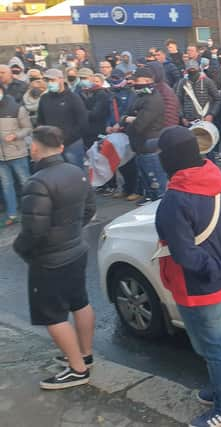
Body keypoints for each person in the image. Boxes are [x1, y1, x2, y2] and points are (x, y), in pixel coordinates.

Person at [153, 126, 221, 427]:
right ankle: (217, 388)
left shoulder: (176, 199)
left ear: (170, 158)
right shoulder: (218, 177)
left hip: (197, 285)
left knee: (212, 347)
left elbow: (184, 256)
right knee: (212, 341)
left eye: (160, 153)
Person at [13, 125, 96, 390]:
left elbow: (33, 231)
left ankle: (77, 368)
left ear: (35, 148)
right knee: (80, 303)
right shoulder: (75, 171)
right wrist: (70, 232)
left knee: (53, 316)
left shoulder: (37, 182)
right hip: (76, 249)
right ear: (61, 147)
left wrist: (21, 249)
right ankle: (85, 353)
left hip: (50, 259)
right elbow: (90, 208)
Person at [117, 67, 167, 205]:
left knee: (155, 179)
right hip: (139, 146)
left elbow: (140, 124)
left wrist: (127, 119)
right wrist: (128, 118)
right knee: (146, 177)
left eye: (136, 80)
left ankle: (159, 202)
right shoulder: (140, 96)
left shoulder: (153, 100)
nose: (133, 83)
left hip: (149, 145)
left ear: (147, 80)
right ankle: (150, 196)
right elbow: (126, 114)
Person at [37, 68, 88, 169]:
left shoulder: (73, 98)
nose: (49, 83)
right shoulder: (44, 98)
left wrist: (67, 140)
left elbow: (83, 122)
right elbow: (40, 120)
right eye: (47, 81)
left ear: (61, 79)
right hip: (51, 145)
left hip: (72, 144)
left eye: (52, 80)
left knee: (76, 172)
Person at [105, 69, 139, 201]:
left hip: (127, 130)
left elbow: (130, 111)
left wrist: (121, 124)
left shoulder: (131, 93)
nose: (115, 81)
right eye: (112, 78)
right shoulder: (111, 93)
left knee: (130, 163)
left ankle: (135, 189)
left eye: (117, 78)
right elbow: (109, 112)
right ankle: (126, 188)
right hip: (115, 131)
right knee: (120, 163)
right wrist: (108, 125)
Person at [0, 85, 32, 226]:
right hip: (1, 157)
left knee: (25, 182)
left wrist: (15, 135)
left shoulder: (17, 108)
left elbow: (28, 128)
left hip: (17, 152)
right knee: (6, 185)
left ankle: (34, 209)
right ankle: (12, 214)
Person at [175, 59, 221, 128]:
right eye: (190, 70)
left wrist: (211, 114)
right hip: (189, 121)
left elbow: (217, 99)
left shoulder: (207, 82)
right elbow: (178, 100)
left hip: (205, 119)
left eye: (194, 69)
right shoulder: (182, 83)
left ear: (198, 69)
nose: (192, 72)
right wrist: (182, 117)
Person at [80, 73, 111, 149]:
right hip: (91, 130)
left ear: (102, 83)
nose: (94, 83)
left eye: (97, 81)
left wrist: (81, 112)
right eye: (93, 81)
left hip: (98, 130)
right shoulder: (90, 93)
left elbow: (96, 113)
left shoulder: (102, 94)